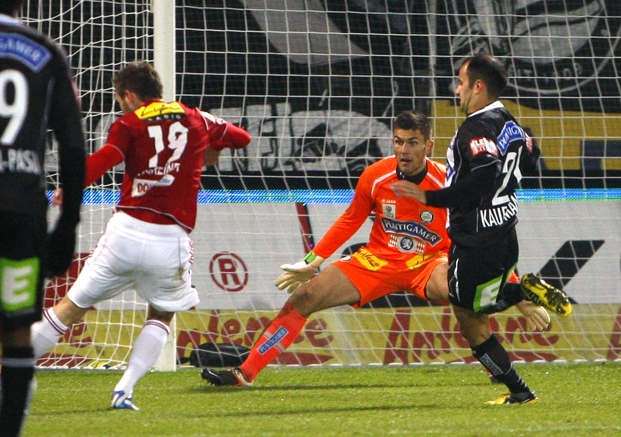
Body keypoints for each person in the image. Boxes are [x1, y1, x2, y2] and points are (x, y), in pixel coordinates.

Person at [201, 110, 551, 388]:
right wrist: (313, 261)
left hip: (431, 262)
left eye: (413, 143)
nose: (404, 150)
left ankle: (513, 315)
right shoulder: (376, 176)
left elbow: (482, 235)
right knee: (306, 297)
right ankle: (243, 373)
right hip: (377, 261)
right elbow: (350, 220)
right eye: (398, 142)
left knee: (461, 294)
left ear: (428, 147)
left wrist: (518, 295)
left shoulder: (449, 183)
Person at [0, 61, 251, 411]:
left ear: (128, 95)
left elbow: (108, 157)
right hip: (170, 242)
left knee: (67, 310)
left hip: (125, 234)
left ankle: (5, 376)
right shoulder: (196, 118)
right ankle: (124, 390)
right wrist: (207, 150)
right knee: (160, 316)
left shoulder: (129, 123)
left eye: (118, 98)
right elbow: (242, 138)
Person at [395, 53, 572, 405]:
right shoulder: (510, 121)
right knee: (470, 311)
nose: (456, 89)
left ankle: (521, 293)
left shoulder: (474, 128)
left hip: (477, 239)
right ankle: (519, 391)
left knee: (470, 310)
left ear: (478, 86)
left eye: (461, 82)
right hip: (506, 231)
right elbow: (532, 155)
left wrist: (431, 198)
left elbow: (486, 173)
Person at [0, 0, 86, 435]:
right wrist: (67, 224)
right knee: (18, 329)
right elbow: (73, 146)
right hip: (19, 212)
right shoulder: (45, 53)